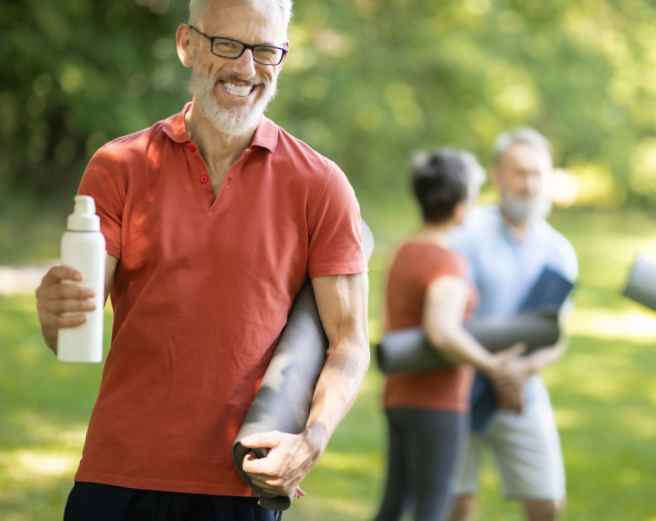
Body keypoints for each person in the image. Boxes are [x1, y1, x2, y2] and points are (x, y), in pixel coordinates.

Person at [34, 1, 369, 520]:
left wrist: (313, 440)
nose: (245, 67)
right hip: (117, 475)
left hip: (241, 480)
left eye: (264, 50)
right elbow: (71, 326)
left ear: (283, 57)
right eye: (227, 44)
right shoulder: (119, 165)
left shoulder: (320, 185)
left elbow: (348, 342)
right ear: (187, 45)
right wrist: (55, 314)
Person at [373, 149, 525, 521]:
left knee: (395, 506)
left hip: (398, 395)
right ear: (460, 206)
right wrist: (492, 365)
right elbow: (441, 332)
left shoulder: (405, 251)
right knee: (432, 507)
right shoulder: (447, 263)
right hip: (436, 401)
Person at [448, 129, 578, 521]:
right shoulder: (466, 233)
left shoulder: (560, 251)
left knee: (547, 499)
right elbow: (445, 318)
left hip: (522, 389)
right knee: (456, 503)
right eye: (519, 173)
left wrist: (520, 371)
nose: (529, 183)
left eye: (538, 174)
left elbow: (556, 335)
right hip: (459, 385)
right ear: (498, 175)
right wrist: (490, 369)